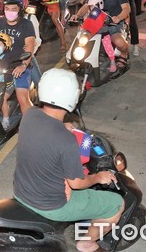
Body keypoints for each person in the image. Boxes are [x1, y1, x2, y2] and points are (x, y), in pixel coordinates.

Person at [13, 68, 124, 252]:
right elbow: (78, 183)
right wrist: (99, 177)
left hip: (21, 192)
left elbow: (25, 101)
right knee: (116, 204)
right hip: (51, 205)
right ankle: (87, 243)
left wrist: (62, 126)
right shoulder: (67, 141)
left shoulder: (30, 115)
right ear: (72, 98)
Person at [73, 0, 130, 69]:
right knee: (82, 39)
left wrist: (118, 17)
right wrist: (77, 15)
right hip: (95, 23)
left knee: (120, 43)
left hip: (113, 25)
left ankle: (124, 54)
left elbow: (126, 9)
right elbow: (86, 6)